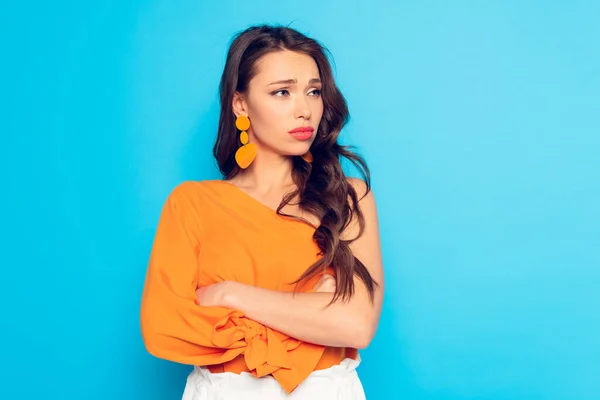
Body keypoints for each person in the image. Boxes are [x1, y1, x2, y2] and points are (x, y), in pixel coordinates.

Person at [140, 24, 384, 399]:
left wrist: (229, 294)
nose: (304, 109)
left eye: (314, 91)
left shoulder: (347, 197)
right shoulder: (193, 204)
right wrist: (312, 312)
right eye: (282, 92)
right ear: (241, 104)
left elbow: (356, 326)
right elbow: (165, 328)